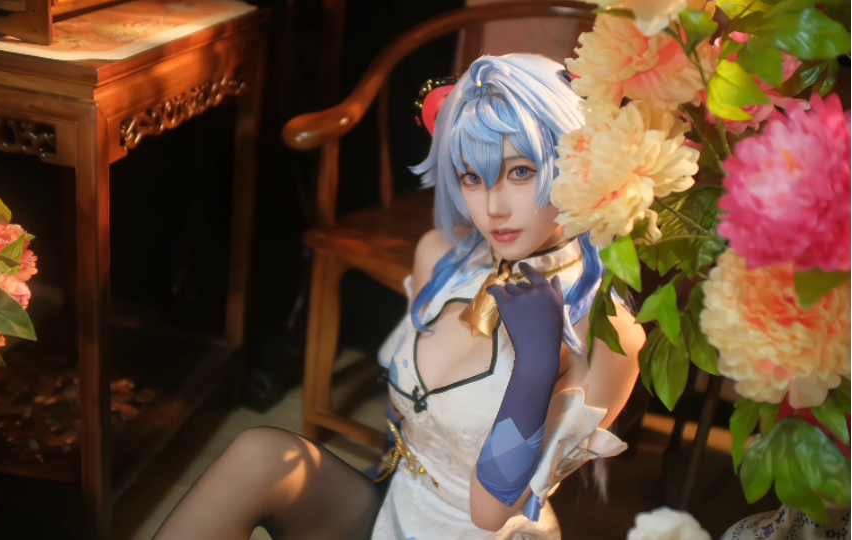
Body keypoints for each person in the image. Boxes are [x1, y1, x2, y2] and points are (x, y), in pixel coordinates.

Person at [152, 53, 645, 540]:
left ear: (576, 164)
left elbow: (491, 513)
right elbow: (403, 428)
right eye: (472, 177)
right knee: (260, 455)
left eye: (520, 172)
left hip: (481, 532)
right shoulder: (441, 259)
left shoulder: (610, 336)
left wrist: (535, 366)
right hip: (399, 501)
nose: (493, 206)